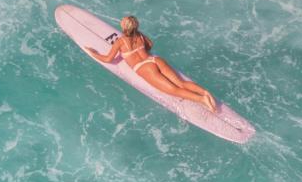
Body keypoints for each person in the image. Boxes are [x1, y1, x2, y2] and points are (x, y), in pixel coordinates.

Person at [85, 16, 217, 112]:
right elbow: (150, 45)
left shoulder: (120, 41)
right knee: (181, 83)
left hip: (144, 68)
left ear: (124, 26)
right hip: (155, 60)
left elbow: (108, 59)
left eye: (123, 20)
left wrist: (93, 52)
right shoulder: (140, 35)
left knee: (174, 90)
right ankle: (205, 92)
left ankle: (202, 100)